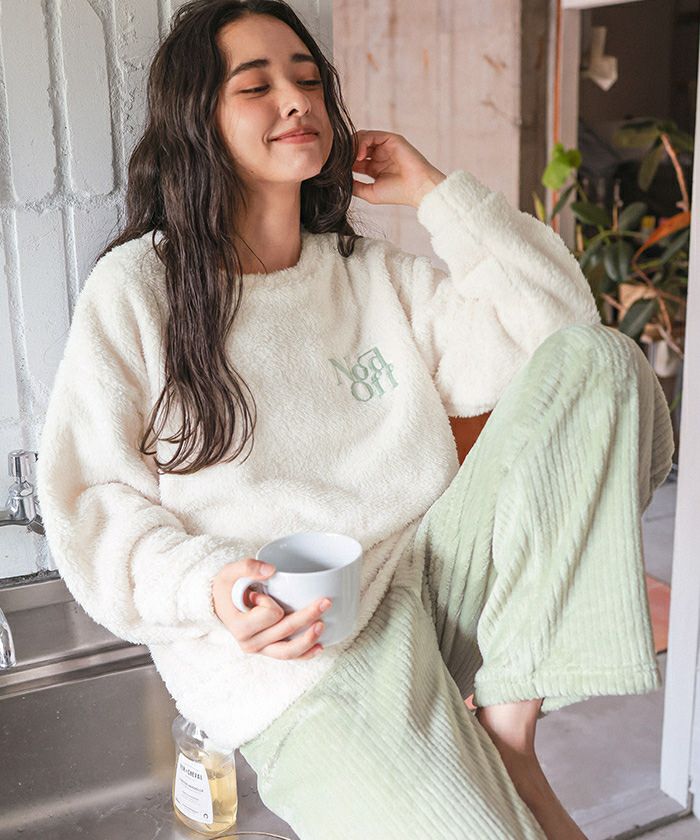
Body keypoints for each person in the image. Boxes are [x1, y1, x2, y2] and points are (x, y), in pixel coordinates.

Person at [36, 1, 675, 838]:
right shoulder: (138, 290)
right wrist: (209, 585)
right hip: (303, 658)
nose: (295, 100)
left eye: (307, 78)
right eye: (256, 86)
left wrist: (439, 194)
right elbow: (92, 504)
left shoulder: (371, 274)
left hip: (434, 584)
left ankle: (510, 720)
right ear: (198, 121)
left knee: (601, 358)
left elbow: (559, 337)